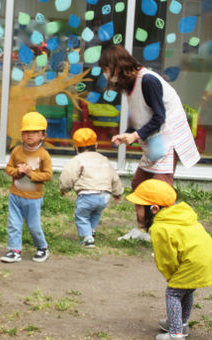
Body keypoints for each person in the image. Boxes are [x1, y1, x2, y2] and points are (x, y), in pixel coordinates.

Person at [98, 45, 200, 190]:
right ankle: (152, 211)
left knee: (159, 191)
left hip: (168, 137)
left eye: (106, 68)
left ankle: (164, 211)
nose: (104, 73)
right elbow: (139, 115)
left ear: (118, 66)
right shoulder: (128, 84)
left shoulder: (147, 81)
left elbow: (159, 118)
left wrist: (135, 136)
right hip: (156, 140)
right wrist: (127, 134)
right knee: (138, 185)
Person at [125, 179, 212, 340]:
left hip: (191, 263)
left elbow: (166, 259)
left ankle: (176, 334)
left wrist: (171, 276)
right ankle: (180, 324)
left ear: (154, 209)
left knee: (173, 293)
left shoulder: (160, 228)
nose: (136, 212)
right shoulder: (182, 216)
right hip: (206, 258)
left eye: (138, 207)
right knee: (186, 290)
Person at [0, 112, 52, 263]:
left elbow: (48, 175)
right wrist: (17, 172)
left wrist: (31, 174)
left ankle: (42, 248)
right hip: (15, 195)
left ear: (43, 135)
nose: (30, 135)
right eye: (26, 132)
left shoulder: (44, 155)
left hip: (33, 198)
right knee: (14, 224)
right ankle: (14, 250)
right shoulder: (17, 151)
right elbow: (8, 169)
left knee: (33, 225)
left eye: (35, 132)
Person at [59, 128, 123, 248]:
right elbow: (114, 176)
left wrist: (64, 188)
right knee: (95, 214)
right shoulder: (104, 159)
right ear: (96, 145)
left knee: (82, 215)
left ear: (76, 148)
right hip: (105, 196)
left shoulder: (78, 159)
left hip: (87, 194)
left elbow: (69, 175)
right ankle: (92, 230)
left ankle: (87, 238)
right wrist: (117, 192)